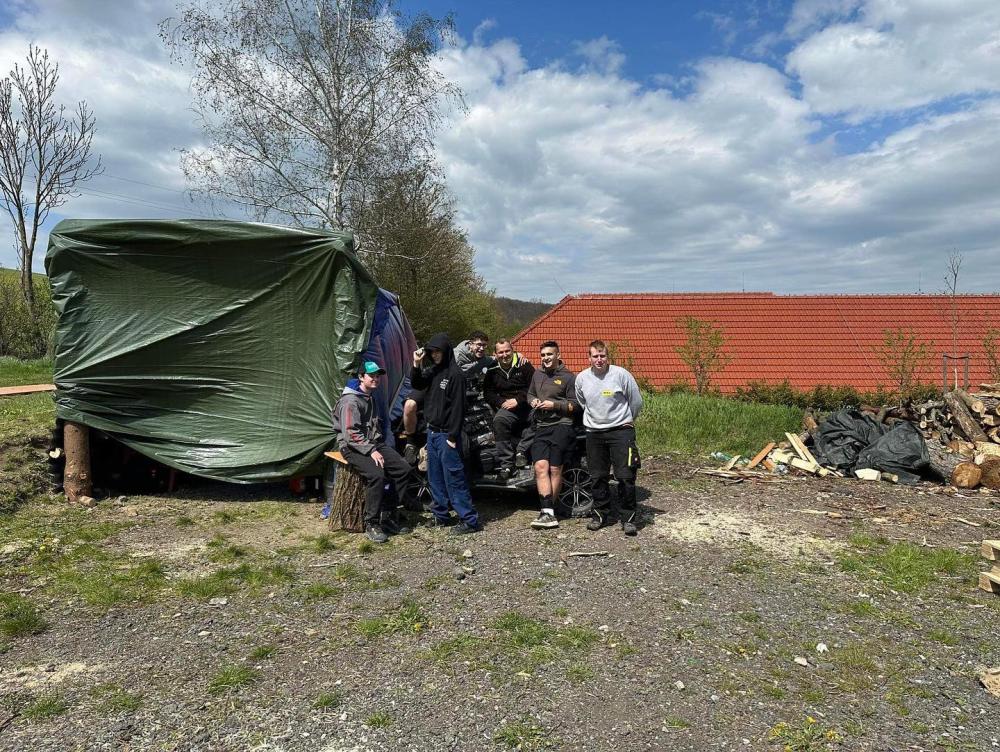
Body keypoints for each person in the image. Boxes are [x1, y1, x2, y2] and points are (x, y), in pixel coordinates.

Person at [332, 361, 413, 543]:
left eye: (378, 376)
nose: (376, 379)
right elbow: (351, 433)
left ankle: (388, 515)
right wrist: (371, 450)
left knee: (403, 469)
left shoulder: (369, 397)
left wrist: (377, 447)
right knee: (377, 476)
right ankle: (372, 523)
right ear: (361, 377)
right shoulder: (350, 401)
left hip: (373, 443)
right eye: (372, 375)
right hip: (352, 447)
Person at [410, 333, 481, 535]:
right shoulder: (434, 371)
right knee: (435, 477)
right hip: (432, 433)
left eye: (438, 351)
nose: (434, 355)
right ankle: (441, 515)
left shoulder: (455, 375)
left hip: (447, 435)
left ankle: (469, 520)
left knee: (454, 477)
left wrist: (452, 436)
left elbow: (459, 408)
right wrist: (416, 363)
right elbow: (417, 383)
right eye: (432, 352)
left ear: (446, 351)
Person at [574, 340, 644, 536]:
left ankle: (628, 518)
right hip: (594, 433)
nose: (599, 360)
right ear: (589, 358)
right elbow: (582, 402)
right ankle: (600, 515)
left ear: (608, 357)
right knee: (597, 477)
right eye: (595, 356)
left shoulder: (621, 375)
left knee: (626, 476)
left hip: (621, 431)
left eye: (602, 356)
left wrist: (626, 420)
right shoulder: (581, 378)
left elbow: (636, 401)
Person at [401, 330, 491, 464]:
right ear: (470, 344)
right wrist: (417, 364)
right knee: (410, 405)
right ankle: (411, 442)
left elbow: (494, 359)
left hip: (448, 387)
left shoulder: (482, 359)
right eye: (479, 345)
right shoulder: (456, 354)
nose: (481, 348)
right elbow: (439, 370)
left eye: (484, 345)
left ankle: (427, 451)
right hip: (434, 380)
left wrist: (516, 356)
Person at [526, 340, 578, 529]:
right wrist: (533, 401)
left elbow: (575, 405)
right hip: (542, 425)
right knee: (540, 466)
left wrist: (554, 405)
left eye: (549, 354)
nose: (546, 358)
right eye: (543, 355)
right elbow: (530, 394)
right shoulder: (537, 374)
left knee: (555, 468)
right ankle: (547, 512)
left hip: (562, 425)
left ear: (558, 355)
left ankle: (548, 511)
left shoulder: (568, 377)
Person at [483, 339, 535, 479]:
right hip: (507, 408)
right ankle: (506, 465)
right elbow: (488, 393)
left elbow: (533, 386)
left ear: (513, 350)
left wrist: (518, 400)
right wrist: (501, 402)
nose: (504, 355)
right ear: (495, 354)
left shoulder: (524, 364)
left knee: (541, 418)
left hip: (527, 405)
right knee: (499, 421)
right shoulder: (492, 370)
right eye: (501, 352)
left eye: (507, 351)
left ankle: (521, 451)